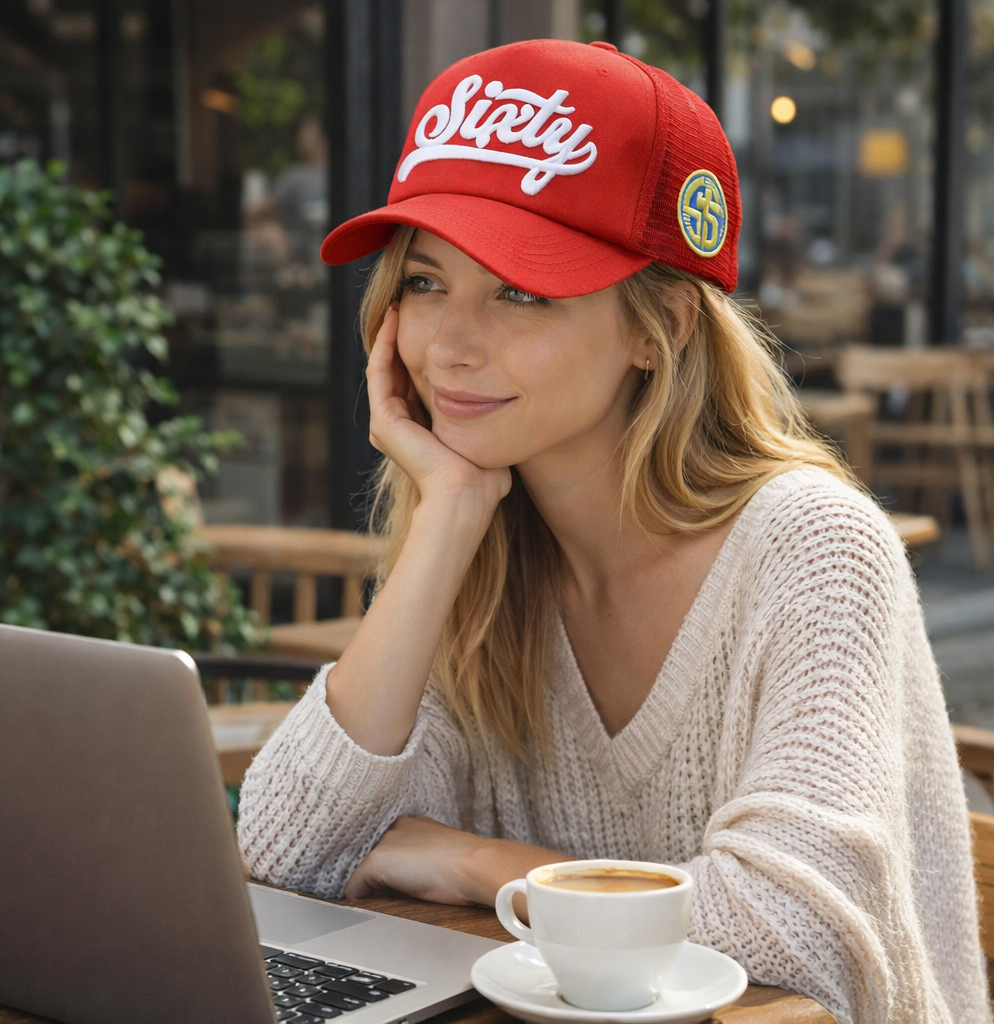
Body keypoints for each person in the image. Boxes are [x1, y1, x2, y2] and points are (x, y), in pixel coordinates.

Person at [237, 39, 990, 1024]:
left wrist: (480, 864)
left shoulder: (816, 546)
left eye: (520, 292)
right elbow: (286, 851)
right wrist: (448, 515)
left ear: (660, 328)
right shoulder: (483, 549)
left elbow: (792, 931)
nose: (449, 345)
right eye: (424, 282)